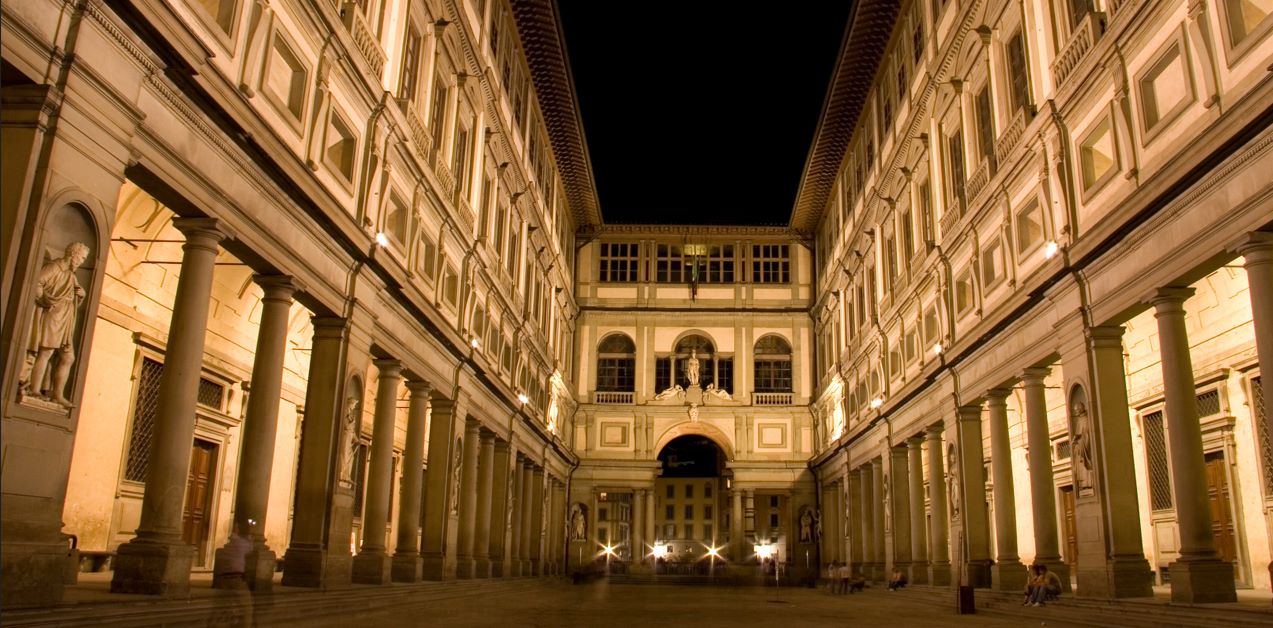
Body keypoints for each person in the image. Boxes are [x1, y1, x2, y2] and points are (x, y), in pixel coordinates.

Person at [25, 242, 89, 407]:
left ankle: (57, 394)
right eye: (81, 257)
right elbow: (37, 282)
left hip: (65, 319)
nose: (82, 261)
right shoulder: (54, 267)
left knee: (68, 357)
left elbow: (72, 296)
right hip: (54, 316)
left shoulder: (71, 275)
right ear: (73, 254)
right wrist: (46, 301)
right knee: (46, 353)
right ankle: (34, 389)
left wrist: (81, 295)